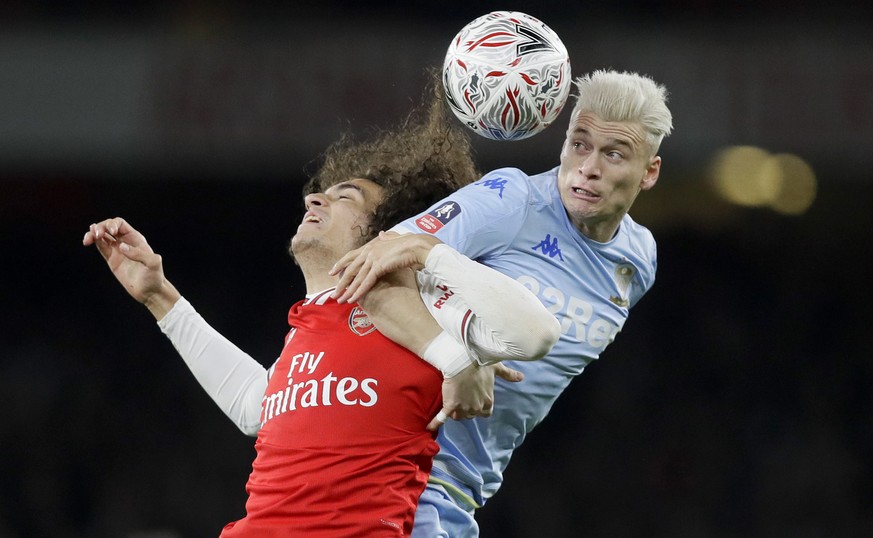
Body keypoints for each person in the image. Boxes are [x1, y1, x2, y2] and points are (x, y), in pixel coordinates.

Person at [82, 86, 560, 537]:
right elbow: (258, 408)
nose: (315, 198)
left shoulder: (418, 304)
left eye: (344, 197)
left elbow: (536, 333)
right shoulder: (305, 327)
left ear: (382, 232)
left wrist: (425, 252)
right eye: (322, 193)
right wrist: (160, 297)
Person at [331, 68, 675, 536]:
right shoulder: (512, 199)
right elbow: (371, 267)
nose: (589, 167)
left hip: (462, 492)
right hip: (401, 469)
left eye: (614, 154)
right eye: (579, 144)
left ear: (649, 172)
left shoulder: (638, 262)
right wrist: (455, 359)